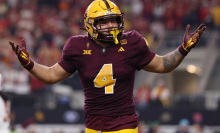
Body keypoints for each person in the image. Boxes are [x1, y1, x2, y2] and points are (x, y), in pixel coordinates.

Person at [8, 0, 206, 132]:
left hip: (124, 122)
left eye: (114, 21)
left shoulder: (132, 41)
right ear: (90, 25)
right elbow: (51, 75)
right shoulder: (77, 46)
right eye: (104, 22)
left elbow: (162, 65)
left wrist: (183, 49)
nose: (111, 26)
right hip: (93, 123)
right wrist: (29, 63)